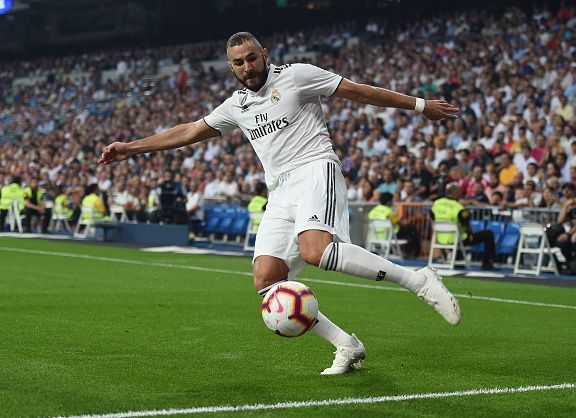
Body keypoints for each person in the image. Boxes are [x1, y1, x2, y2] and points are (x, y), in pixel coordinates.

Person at [99, 31, 461, 375]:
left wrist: (419, 105)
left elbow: (359, 92)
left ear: (265, 55)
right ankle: (345, 344)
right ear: (232, 68)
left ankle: (419, 280)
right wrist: (131, 148)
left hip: (316, 168)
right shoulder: (236, 106)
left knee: (316, 251)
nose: (247, 67)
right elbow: (190, 131)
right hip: (280, 190)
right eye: (238, 63)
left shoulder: (297, 76)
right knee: (267, 279)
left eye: (252, 58)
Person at [431, 183, 497, 270]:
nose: (460, 194)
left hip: (440, 239)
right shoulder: (459, 207)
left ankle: (456, 258)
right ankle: (487, 263)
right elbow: (466, 225)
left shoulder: (436, 203)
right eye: (459, 192)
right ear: (454, 192)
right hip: (458, 239)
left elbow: (432, 218)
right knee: (488, 234)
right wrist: (470, 234)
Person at [368, 192, 420, 258]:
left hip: (375, 236)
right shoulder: (389, 212)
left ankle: (403, 252)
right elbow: (400, 223)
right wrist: (408, 221)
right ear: (388, 201)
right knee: (412, 229)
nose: (392, 202)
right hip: (389, 235)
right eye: (392, 200)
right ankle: (414, 254)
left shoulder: (373, 211)